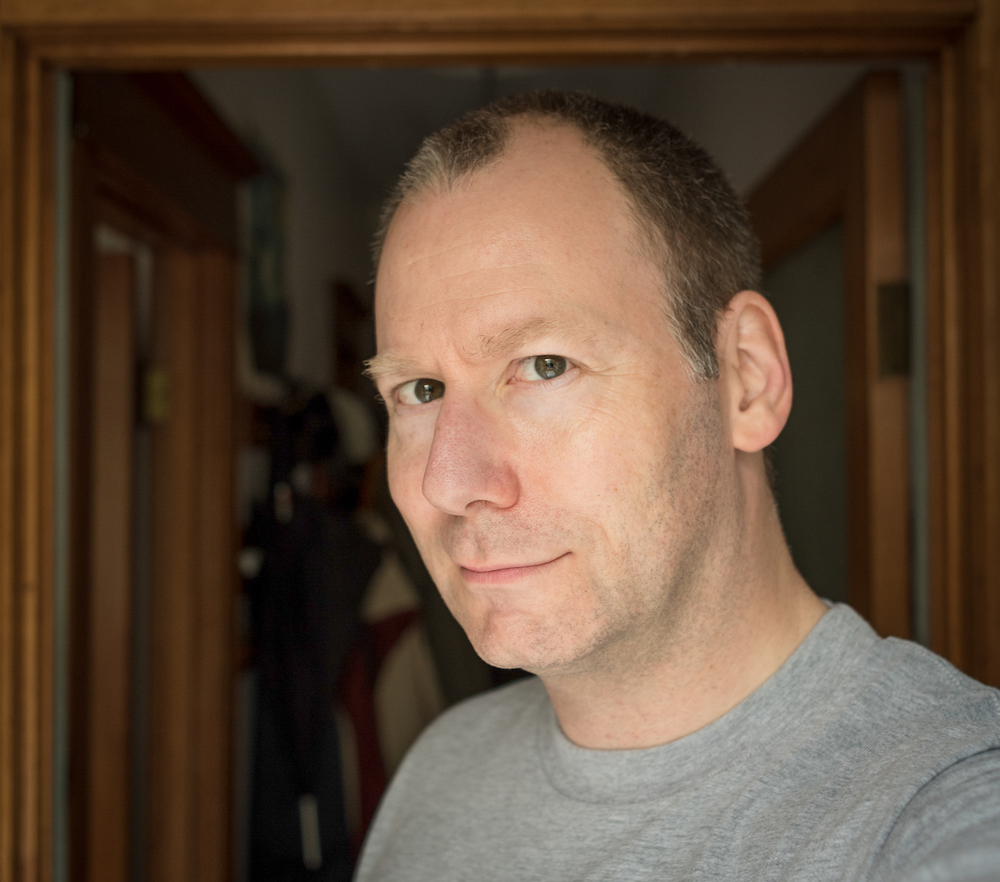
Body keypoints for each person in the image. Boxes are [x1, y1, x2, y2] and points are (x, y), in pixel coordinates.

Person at [355, 90, 1000, 881]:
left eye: (545, 366)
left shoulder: (939, 805)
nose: (450, 482)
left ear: (745, 379)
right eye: (419, 390)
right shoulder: (440, 770)